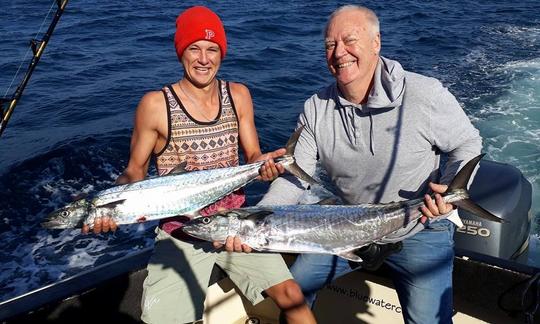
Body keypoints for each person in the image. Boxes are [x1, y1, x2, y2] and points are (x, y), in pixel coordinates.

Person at [82, 6, 315, 324]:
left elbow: (252, 158)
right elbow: (135, 171)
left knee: (292, 297)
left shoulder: (238, 95)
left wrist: (268, 165)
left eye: (212, 49)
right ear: (181, 52)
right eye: (194, 48)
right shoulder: (155, 105)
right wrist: (112, 205)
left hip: (237, 225)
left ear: (222, 53)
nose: (204, 59)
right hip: (183, 234)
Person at [258, 4, 482, 324]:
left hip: (418, 227)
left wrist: (448, 188)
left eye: (349, 40)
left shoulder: (424, 94)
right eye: (330, 45)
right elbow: (297, 177)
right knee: (291, 293)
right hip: (344, 226)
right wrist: (260, 217)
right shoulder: (315, 109)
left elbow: (467, 143)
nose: (339, 53)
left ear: (376, 43)